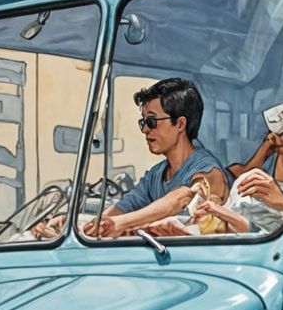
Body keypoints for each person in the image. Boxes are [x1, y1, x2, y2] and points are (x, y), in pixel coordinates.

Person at [84, 78, 226, 237]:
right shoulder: (155, 175)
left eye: (151, 121)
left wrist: (119, 223)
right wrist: (91, 225)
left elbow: (182, 198)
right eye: (143, 122)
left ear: (180, 124)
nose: (145, 129)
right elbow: (127, 205)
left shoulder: (209, 169)